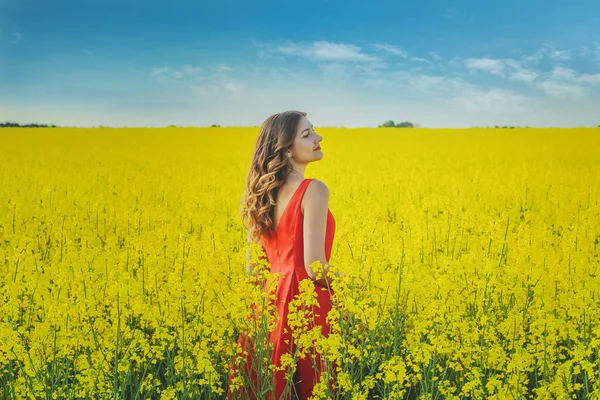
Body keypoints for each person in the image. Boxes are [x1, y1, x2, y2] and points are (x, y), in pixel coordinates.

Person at [228, 110, 340, 399]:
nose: (318, 137)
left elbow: (254, 271)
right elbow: (315, 267)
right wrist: (351, 286)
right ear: (286, 149)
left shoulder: (261, 195)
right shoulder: (313, 189)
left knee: (269, 386)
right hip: (307, 304)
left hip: (268, 306)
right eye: (307, 134)